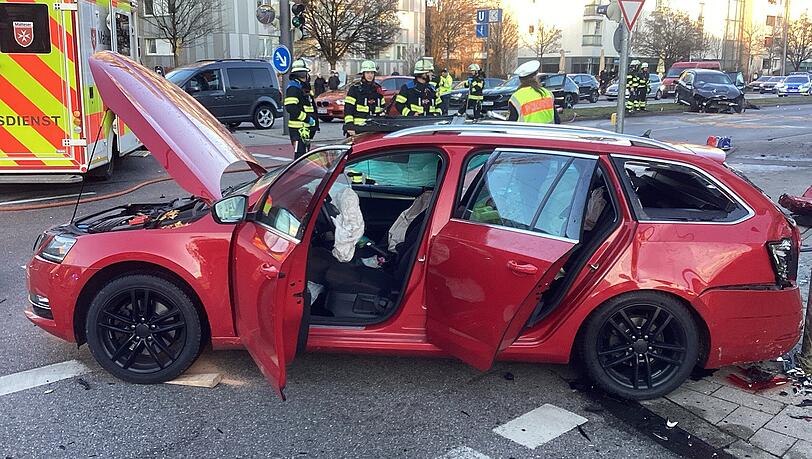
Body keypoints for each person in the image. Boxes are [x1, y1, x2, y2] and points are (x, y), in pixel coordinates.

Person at [507, 60, 558, 124]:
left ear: (520, 80)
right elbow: (557, 120)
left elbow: (511, 123)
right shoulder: (547, 93)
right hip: (548, 133)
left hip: (526, 133)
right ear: (535, 77)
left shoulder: (516, 97)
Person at [285, 59, 317, 159]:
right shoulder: (293, 88)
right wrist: (307, 118)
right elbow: (291, 107)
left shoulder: (303, 87)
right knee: (299, 157)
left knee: (304, 156)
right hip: (299, 129)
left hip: (305, 129)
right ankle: (298, 175)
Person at [343, 60, 385, 135]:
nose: (370, 75)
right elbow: (348, 109)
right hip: (358, 128)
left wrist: (382, 114)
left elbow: (382, 107)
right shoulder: (355, 89)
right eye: (367, 73)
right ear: (363, 74)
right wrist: (350, 126)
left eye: (372, 73)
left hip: (375, 128)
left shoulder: (378, 89)